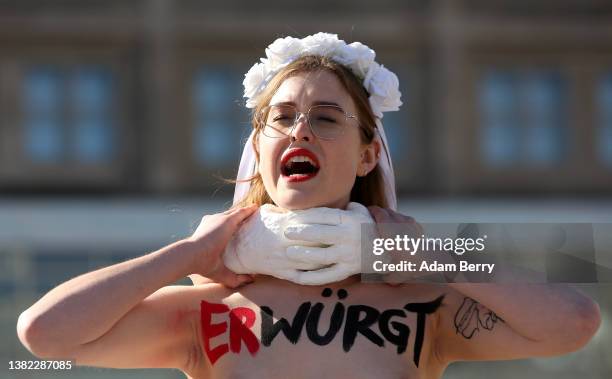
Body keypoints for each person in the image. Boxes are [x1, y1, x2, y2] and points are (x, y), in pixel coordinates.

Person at [17, 33, 601, 379]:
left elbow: (574, 322)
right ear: (259, 146)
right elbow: (44, 335)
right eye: (283, 118)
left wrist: (429, 257)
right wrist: (189, 252)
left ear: (369, 154)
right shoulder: (208, 307)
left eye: (326, 119)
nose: (301, 132)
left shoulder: (425, 302)